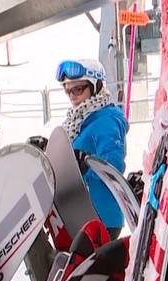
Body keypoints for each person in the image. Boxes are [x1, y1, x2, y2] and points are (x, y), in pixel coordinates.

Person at [57, 58, 128, 236]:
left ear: (95, 86)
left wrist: (85, 165)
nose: (73, 96)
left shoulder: (106, 120)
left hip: (102, 216)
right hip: (81, 214)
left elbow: (113, 165)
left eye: (78, 89)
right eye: (68, 90)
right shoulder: (79, 121)